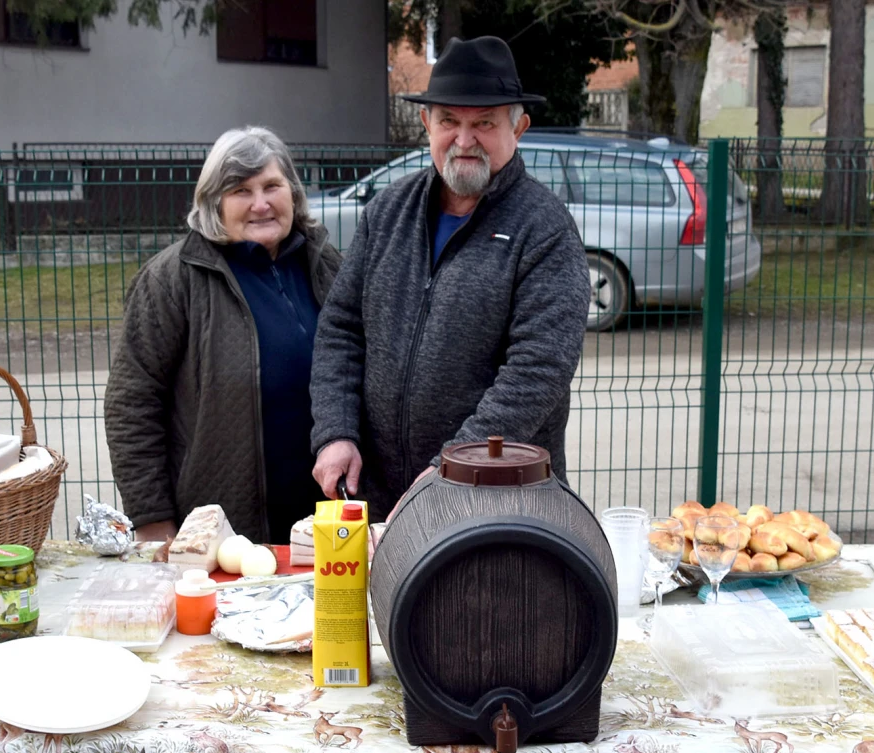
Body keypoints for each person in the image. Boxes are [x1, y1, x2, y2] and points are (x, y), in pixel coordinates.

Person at [310, 36, 591, 520]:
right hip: (379, 502)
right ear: (426, 124)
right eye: (449, 122)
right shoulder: (387, 213)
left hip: (496, 503)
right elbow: (341, 329)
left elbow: (537, 373)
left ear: (518, 128)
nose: (464, 140)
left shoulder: (545, 229)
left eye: (484, 123)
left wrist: (454, 466)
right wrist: (335, 432)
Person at [105, 127, 340, 544]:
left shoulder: (325, 266)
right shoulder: (173, 279)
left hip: (325, 520)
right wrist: (153, 520)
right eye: (241, 191)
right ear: (215, 201)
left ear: (293, 191)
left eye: (272, 186)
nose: (261, 203)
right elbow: (132, 403)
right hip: (217, 530)